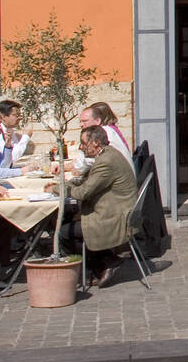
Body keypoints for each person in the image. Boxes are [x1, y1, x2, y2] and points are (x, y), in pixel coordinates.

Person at [59, 126, 139, 288]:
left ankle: (106, 261)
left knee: (64, 233)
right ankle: (102, 264)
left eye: (83, 143)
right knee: (69, 225)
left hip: (115, 217)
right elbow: (91, 182)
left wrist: (58, 188)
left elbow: (83, 193)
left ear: (95, 143)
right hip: (116, 210)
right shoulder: (108, 154)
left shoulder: (106, 161)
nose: (81, 147)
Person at [71, 104, 135, 177]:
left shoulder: (103, 133)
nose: (81, 125)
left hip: (121, 180)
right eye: (80, 121)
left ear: (98, 120)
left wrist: (75, 168)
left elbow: (88, 162)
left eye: (85, 121)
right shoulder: (108, 130)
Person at [0, 100, 33, 166]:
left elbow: (16, 151)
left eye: (19, 115)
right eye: (15, 115)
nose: (19, 118)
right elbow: (11, 157)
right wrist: (26, 137)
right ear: (3, 116)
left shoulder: (10, 130)